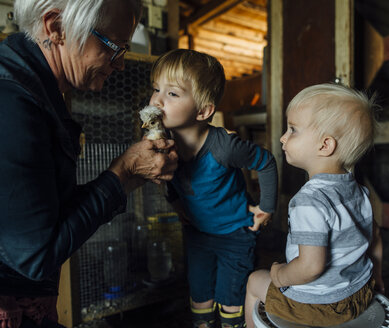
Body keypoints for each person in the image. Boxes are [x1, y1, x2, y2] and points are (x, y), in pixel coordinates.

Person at [0, 1, 178, 327]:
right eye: (113, 46)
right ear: (56, 28)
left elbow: (43, 212)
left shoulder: (35, 88)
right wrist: (122, 173)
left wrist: (129, 174)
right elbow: (36, 255)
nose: (120, 64)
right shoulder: (12, 104)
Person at [148, 49, 278, 328]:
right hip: (197, 233)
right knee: (199, 296)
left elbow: (266, 162)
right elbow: (169, 179)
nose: (157, 100)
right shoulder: (162, 142)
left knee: (230, 301)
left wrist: (266, 206)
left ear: (204, 111)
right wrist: (177, 205)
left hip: (234, 235)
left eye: (172, 94)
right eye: (156, 89)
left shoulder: (225, 146)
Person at [244, 83, 384, 327]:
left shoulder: (309, 200)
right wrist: (377, 278)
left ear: (325, 145)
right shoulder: (358, 190)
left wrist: (279, 274)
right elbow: (376, 237)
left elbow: (311, 266)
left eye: (293, 130)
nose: (282, 137)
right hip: (358, 295)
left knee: (255, 281)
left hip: (318, 307)